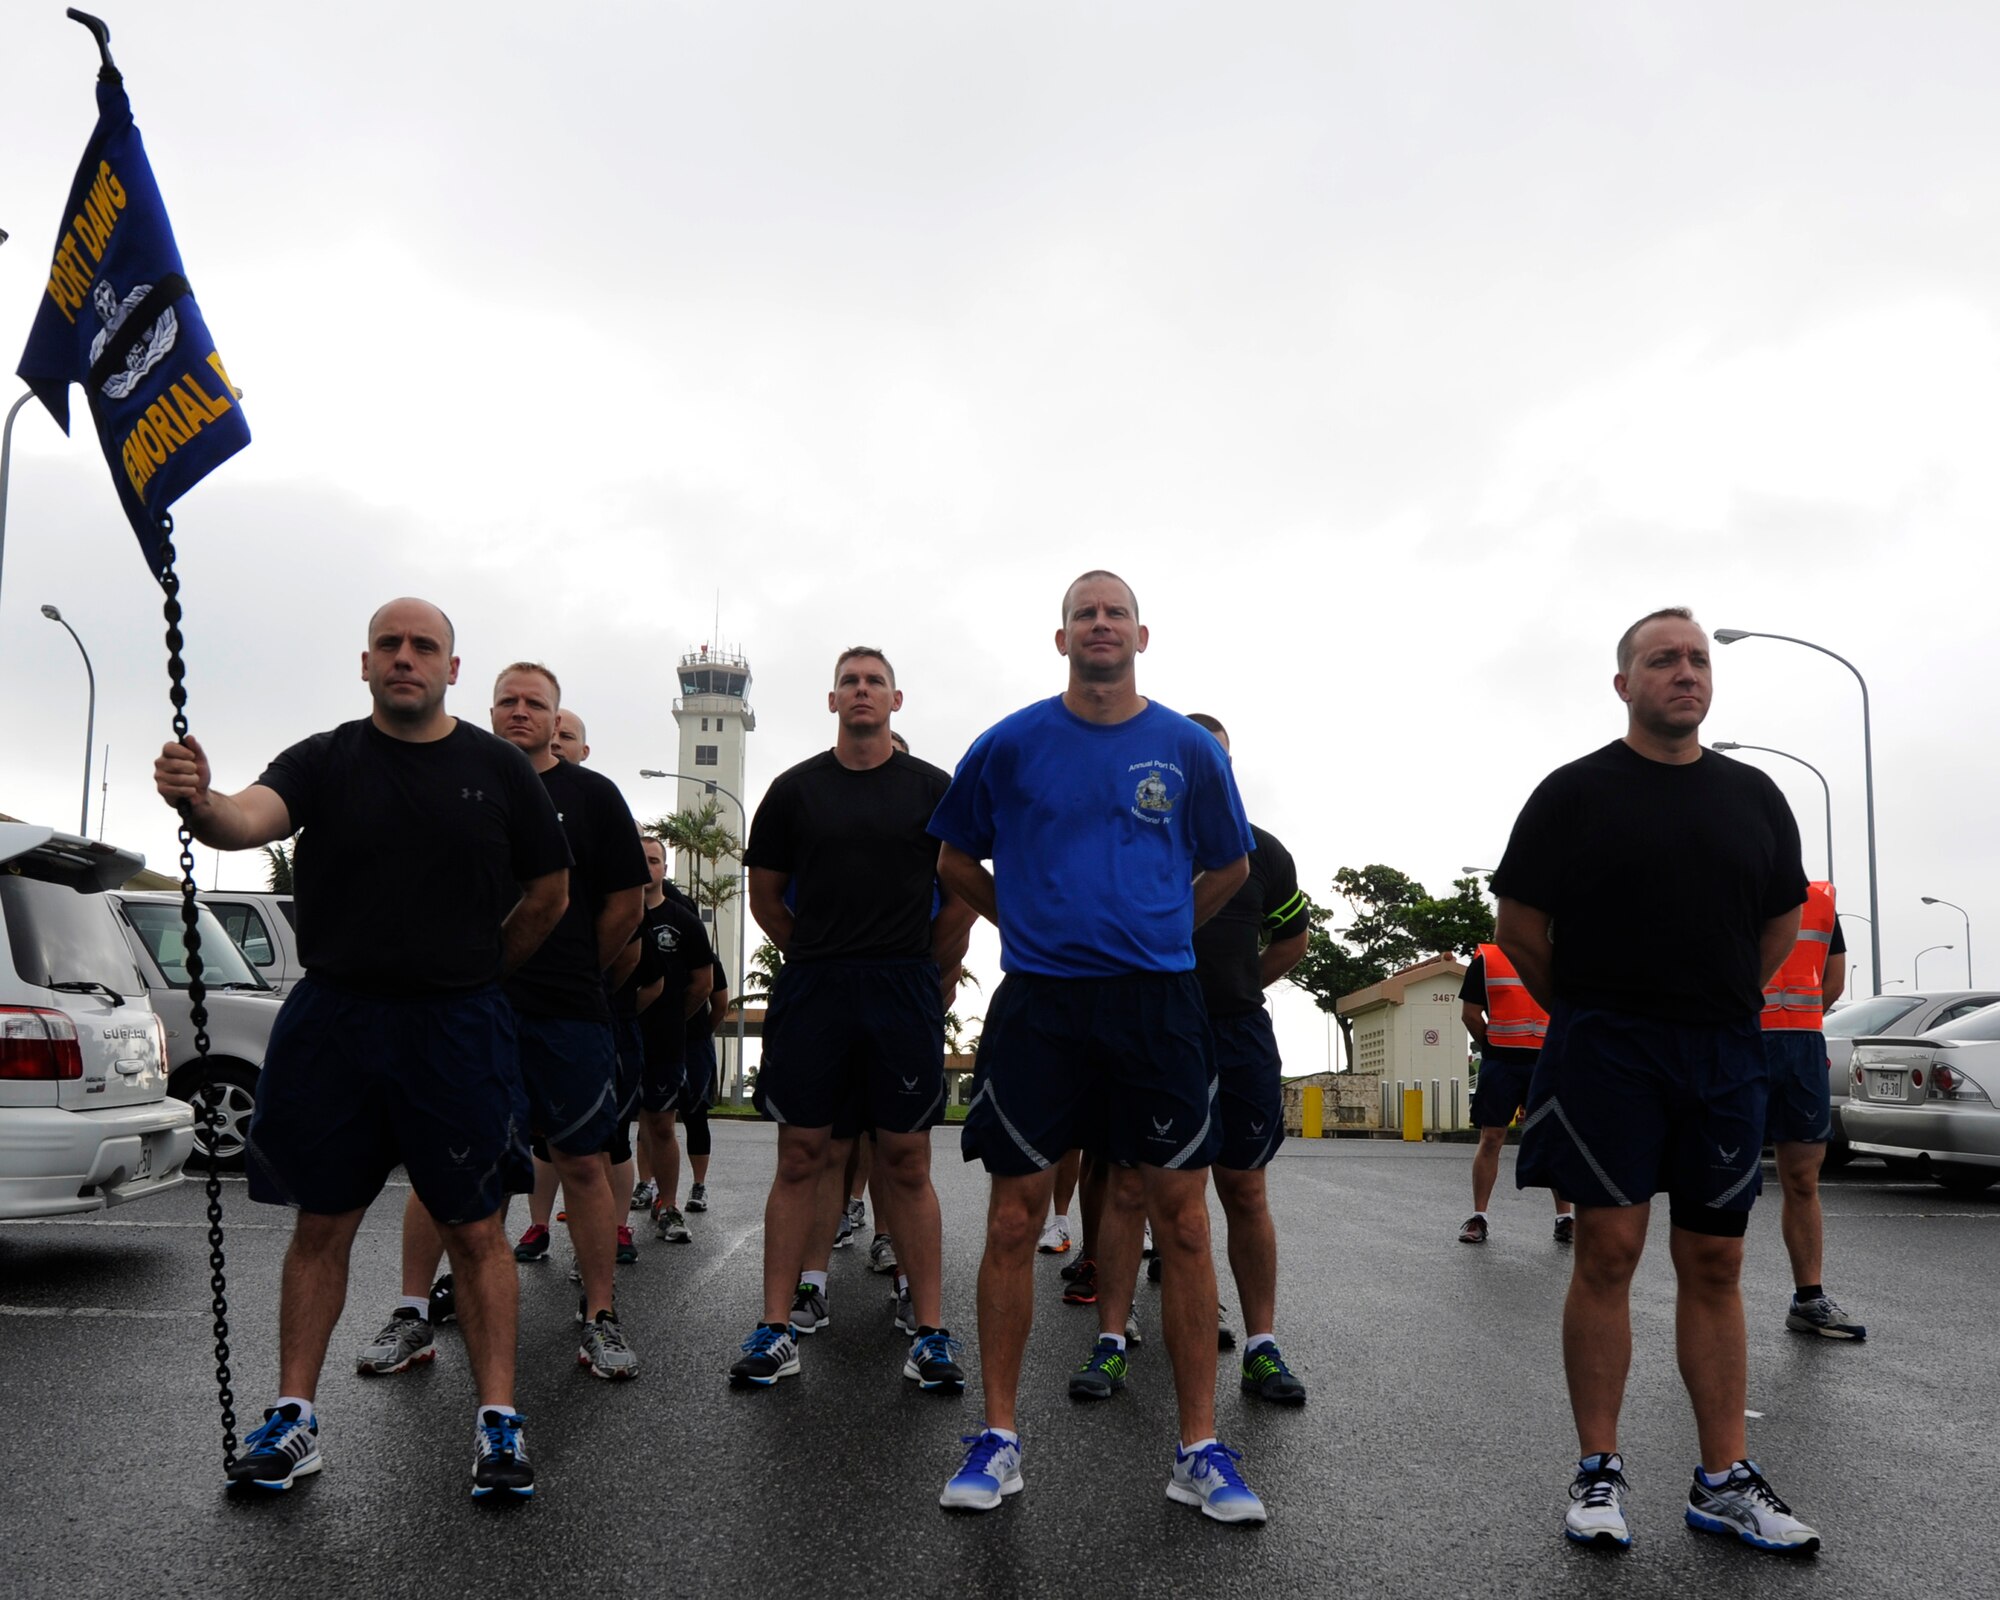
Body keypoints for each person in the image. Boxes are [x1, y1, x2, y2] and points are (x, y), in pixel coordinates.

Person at [152, 599, 570, 1497]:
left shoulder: (499, 768)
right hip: (337, 1020)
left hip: (458, 1028)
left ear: (453, 669)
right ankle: (294, 1419)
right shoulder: (326, 757)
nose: (405, 657)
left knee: (477, 1229)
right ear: (366, 662)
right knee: (323, 1223)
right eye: (390, 644)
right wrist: (199, 797)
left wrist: (479, 971)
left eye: (425, 646)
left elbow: (550, 892)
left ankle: (499, 1423)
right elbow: (242, 820)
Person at [930, 571, 1268, 1525]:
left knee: (1186, 1220)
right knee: (1011, 1219)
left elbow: (1230, 863)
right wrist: (1026, 924)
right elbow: (956, 855)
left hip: (1158, 1006)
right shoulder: (1009, 742)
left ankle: (1199, 1448)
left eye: (1115, 613)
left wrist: (1162, 933)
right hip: (1040, 1004)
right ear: (1062, 637)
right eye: (1086, 614)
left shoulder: (1186, 750)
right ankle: (998, 1439)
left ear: (1142, 635)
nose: (1101, 626)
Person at [1492, 605, 1820, 1555]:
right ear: (1624, 682)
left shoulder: (1755, 796)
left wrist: (1712, 1003)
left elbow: (1775, 926)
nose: (1686, 672)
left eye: (1697, 660)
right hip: (1607, 1050)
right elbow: (1521, 926)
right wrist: (1598, 1008)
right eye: (1662, 660)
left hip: (1721, 1052)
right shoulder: (1573, 793)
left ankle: (1722, 1480)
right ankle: (1598, 1472)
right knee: (1608, 1251)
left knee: (1715, 1262)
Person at [370, 664, 648, 1384]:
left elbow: (625, 904)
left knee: (583, 1161)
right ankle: (410, 1314)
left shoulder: (592, 796)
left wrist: (576, 966)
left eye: (536, 704)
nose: (520, 711)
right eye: (509, 701)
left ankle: (599, 1317)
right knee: (446, 1164)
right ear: (489, 708)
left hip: (567, 1013)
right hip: (461, 1008)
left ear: (558, 719)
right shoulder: (455, 778)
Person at [731, 647, 974, 1391]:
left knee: (905, 1159)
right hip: (816, 990)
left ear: (895, 700)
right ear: (832, 700)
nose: (861, 691)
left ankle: (930, 1330)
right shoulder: (794, 790)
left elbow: (962, 892)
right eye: (849, 682)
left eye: (874, 682)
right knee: (801, 1156)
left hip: (902, 990)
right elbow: (766, 897)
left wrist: (920, 969)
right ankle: (776, 1327)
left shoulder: (935, 789)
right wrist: (822, 956)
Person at [1762, 882, 1863, 1339]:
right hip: (1735, 1043)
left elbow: (1834, 981)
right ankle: (1708, 1297)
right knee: (1719, 1176)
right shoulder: (1721, 882)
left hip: (1801, 1048)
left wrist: (1793, 1024)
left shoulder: (1821, 902)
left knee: (1803, 1178)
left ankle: (1809, 1299)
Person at [1457, 944, 1575, 1244]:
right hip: (1502, 1063)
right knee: (1492, 1137)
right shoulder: (1488, 960)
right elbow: (1470, 1014)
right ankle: (1478, 1217)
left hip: (1547, 1062)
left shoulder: (1561, 958)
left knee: (1554, 1138)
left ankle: (1565, 1219)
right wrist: (1494, 1049)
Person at [633, 838, 716, 1244]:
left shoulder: (683, 921)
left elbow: (705, 984)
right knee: (609, 1133)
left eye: (653, 860)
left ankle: (668, 1205)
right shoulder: (610, 912)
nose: (645, 866)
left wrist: (671, 1018)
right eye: (639, 859)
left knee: (661, 1124)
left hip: (666, 1042)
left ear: (665, 868)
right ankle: (611, 1224)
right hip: (614, 1038)